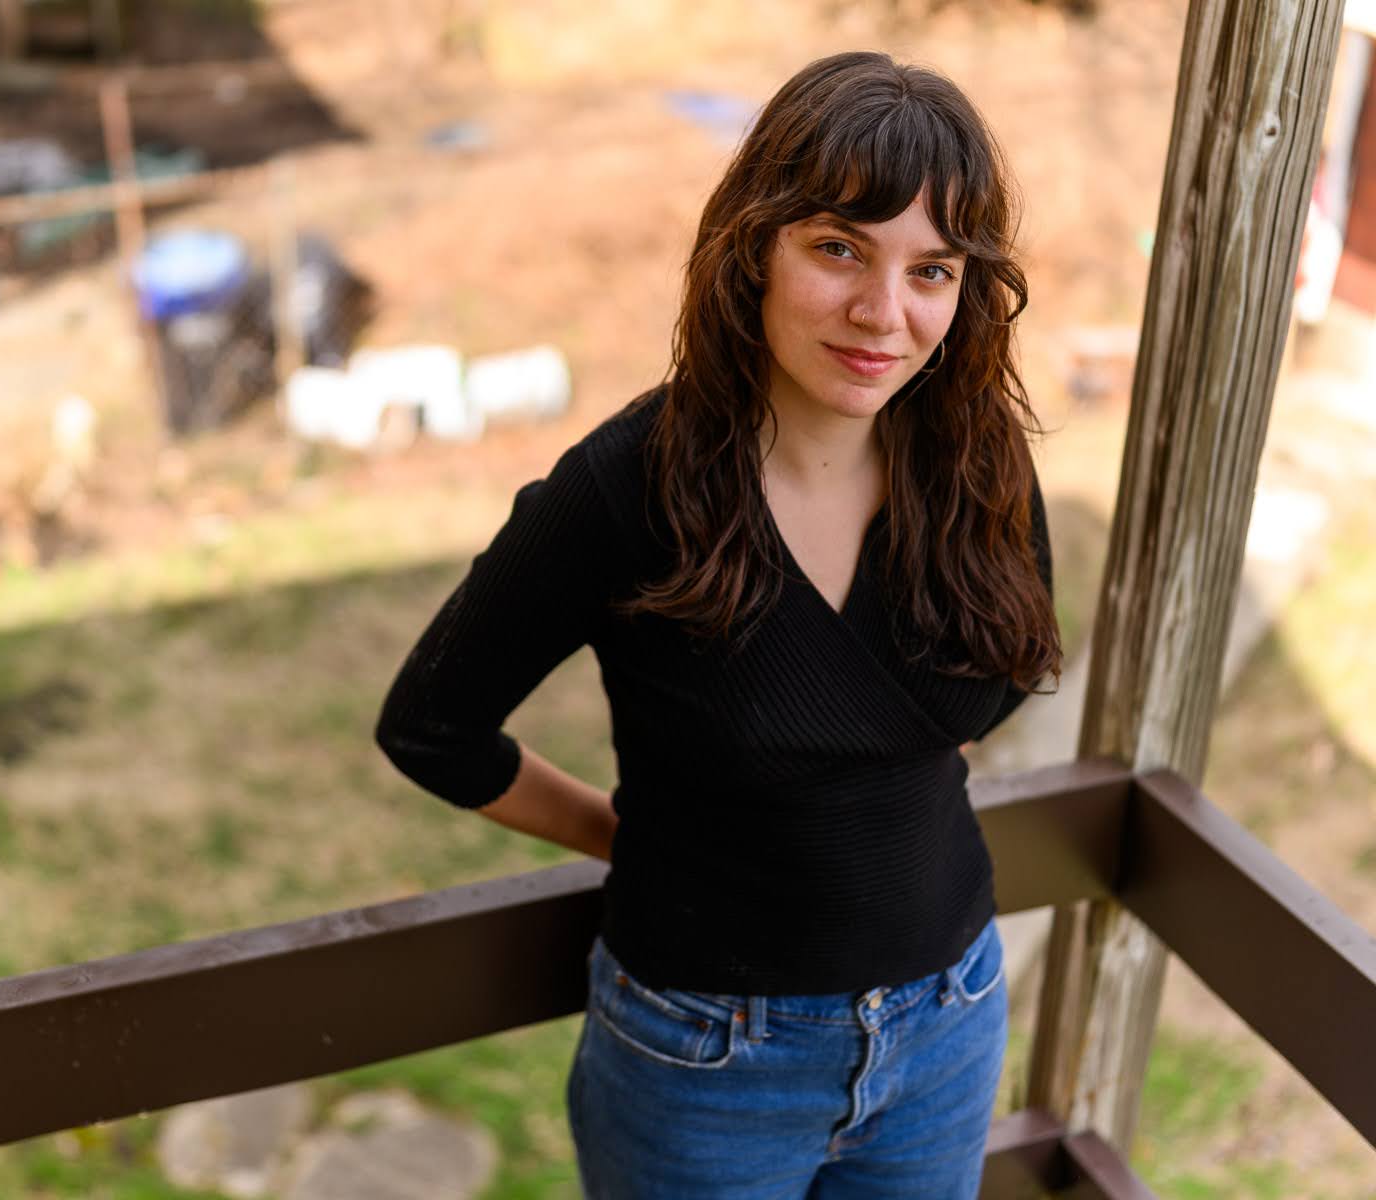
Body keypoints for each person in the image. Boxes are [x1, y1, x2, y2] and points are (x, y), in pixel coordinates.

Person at [374, 50, 1060, 1199]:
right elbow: (433, 726)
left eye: (930, 270)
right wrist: (619, 834)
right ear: (755, 246)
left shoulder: (979, 464)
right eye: (839, 249)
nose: (883, 315)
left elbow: (981, 691)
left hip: (948, 1024)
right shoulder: (627, 488)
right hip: (706, 1061)